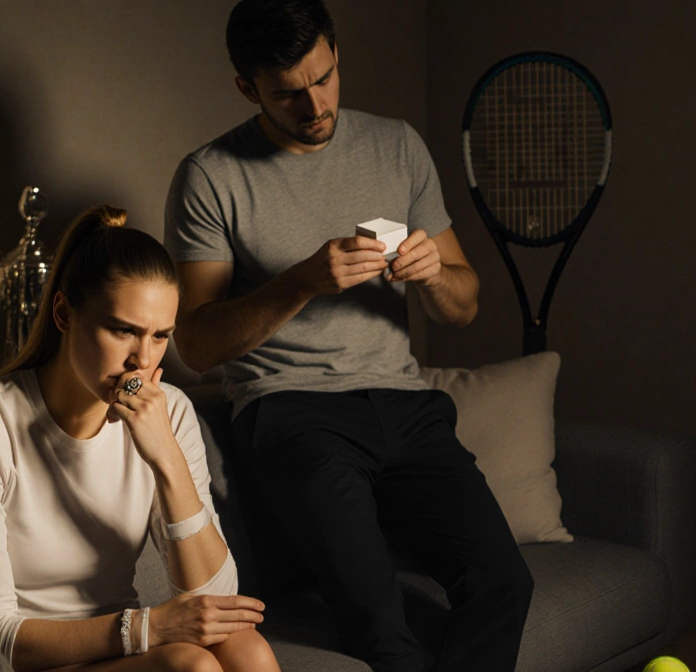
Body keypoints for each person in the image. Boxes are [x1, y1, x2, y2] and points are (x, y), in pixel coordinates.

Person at [163, 2, 534, 671]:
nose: (315, 106)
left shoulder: (398, 146)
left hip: (407, 405)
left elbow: (465, 305)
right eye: (288, 93)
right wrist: (301, 282)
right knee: (379, 622)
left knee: (504, 584)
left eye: (324, 78)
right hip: (291, 411)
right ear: (247, 87)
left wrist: (433, 274)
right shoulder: (210, 175)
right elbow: (195, 343)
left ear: (336, 52)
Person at [0, 205, 281, 672]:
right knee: (191, 667)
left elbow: (217, 602)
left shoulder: (169, 412)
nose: (142, 360)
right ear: (64, 314)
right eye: (124, 330)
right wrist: (148, 628)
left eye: (160, 336)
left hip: (113, 653)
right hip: (15, 661)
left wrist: (167, 460)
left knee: (248, 650)